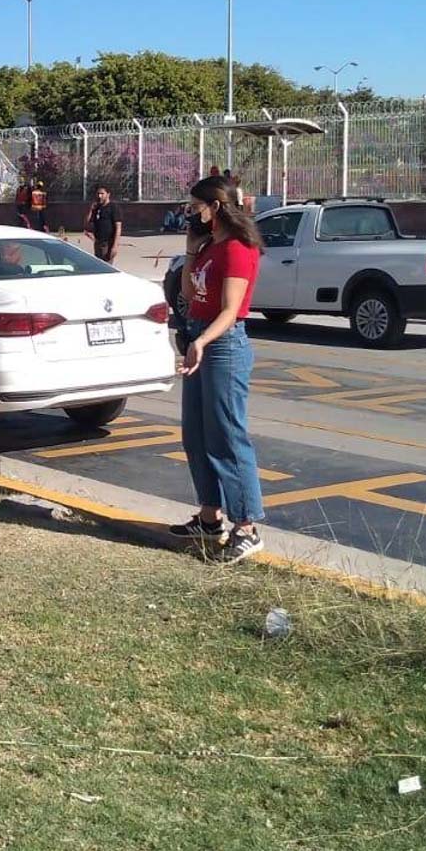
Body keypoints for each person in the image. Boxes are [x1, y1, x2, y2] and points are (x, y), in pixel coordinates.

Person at [168, 175, 266, 564]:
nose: (191, 213)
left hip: (223, 345)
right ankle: (210, 518)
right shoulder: (211, 246)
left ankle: (247, 526)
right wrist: (192, 251)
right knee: (196, 434)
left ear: (217, 207)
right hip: (200, 337)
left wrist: (202, 341)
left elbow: (230, 310)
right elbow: (192, 296)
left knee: (227, 436)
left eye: (196, 207)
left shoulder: (239, 249)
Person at [83, 184, 121, 264]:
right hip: (98, 243)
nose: (99, 196)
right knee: (98, 266)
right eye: (98, 194)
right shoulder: (97, 208)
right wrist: (90, 209)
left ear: (108, 194)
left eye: (102, 194)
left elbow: (118, 227)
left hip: (108, 243)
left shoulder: (113, 207)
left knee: (106, 267)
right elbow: (86, 223)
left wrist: (115, 246)